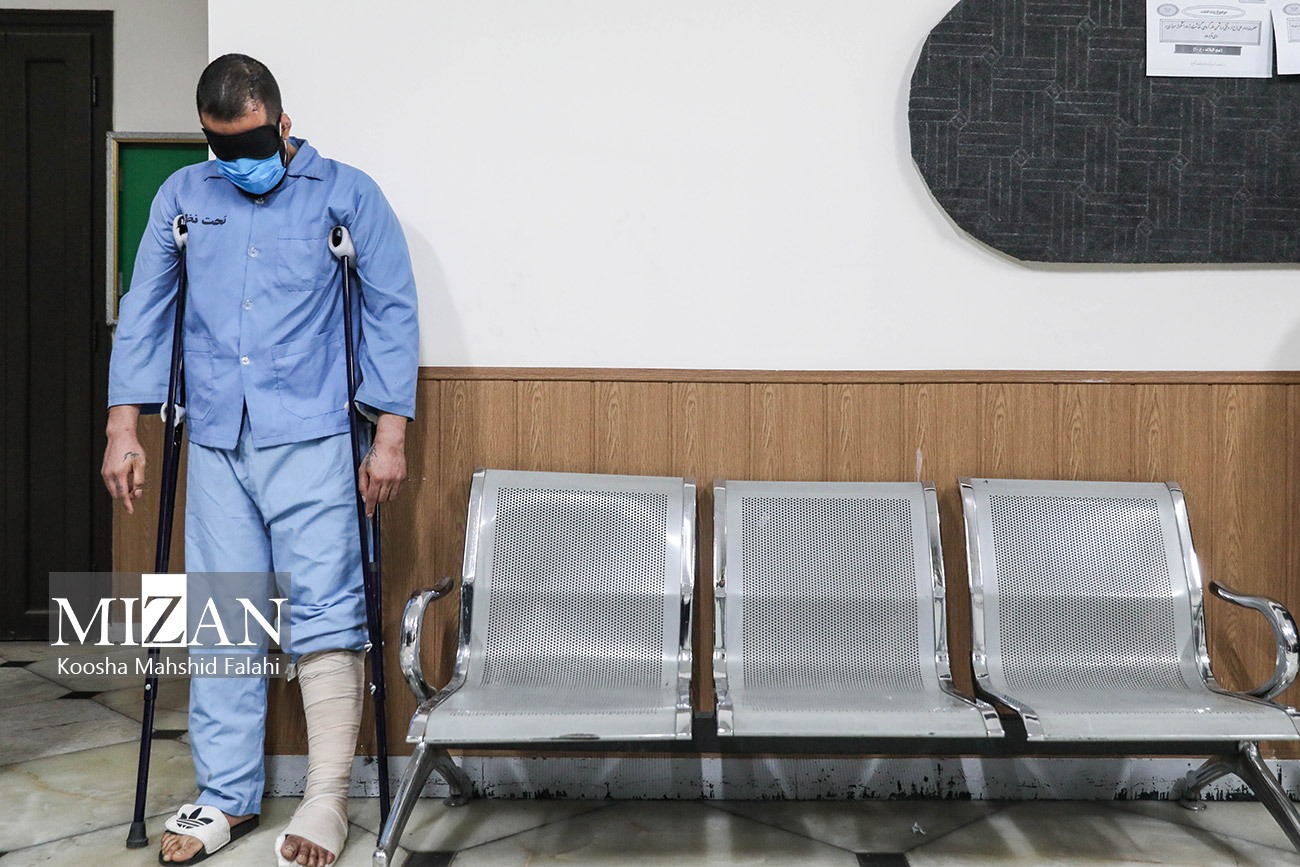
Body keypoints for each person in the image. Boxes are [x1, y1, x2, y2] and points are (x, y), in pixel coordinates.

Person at [102, 54, 419, 867]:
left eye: (250, 144)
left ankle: (326, 795)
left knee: (326, 611)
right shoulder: (182, 199)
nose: (237, 161)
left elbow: (391, 309)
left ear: (283, 124)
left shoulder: (346, 195)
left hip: (314, 436)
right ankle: (227, 794)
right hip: (215, 436)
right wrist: (123, 424)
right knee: (223, 617)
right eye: (221, 147)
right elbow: (146, 308)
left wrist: (389, 436)